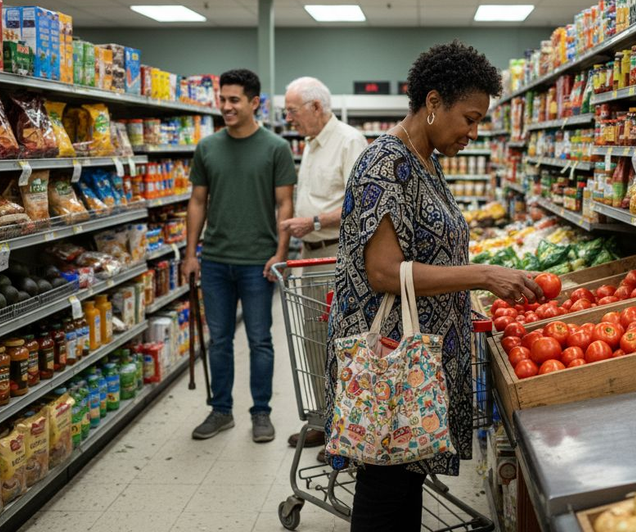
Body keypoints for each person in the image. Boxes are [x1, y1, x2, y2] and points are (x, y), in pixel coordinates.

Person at [324, 41, 544, 531]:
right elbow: (384, 273)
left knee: (404, 485)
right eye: (469, 118)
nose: (473, 132)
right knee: (385, 491)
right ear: (432, 102)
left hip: (420, 358)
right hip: (391, 360)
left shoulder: (427, 161)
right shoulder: (385, 163)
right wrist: (483, 274)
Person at [184, 68, 296, 443]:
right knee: (219, 340)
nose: (226, 106)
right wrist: (191, 254)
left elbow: (285, 204)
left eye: (234, 100)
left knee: (260, 340)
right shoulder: (207, 148)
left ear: (254, 103)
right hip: (215, 259)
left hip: (257, 262)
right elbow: (197, 202)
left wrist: (280, 253)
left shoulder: (276, 148)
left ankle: (261, 413)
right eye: (223, 99)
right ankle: (221, 410)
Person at [278, 76, 367, 451]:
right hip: (309, 255)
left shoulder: (348, 141)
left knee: (340, 342)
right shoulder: (312, 143)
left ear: (316, 106)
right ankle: (323, 418)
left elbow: (361, 203)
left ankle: (346, 425)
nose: (288, 119)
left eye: (292, 111)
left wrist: (313, 222)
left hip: (334, 254)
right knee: (314, 341)